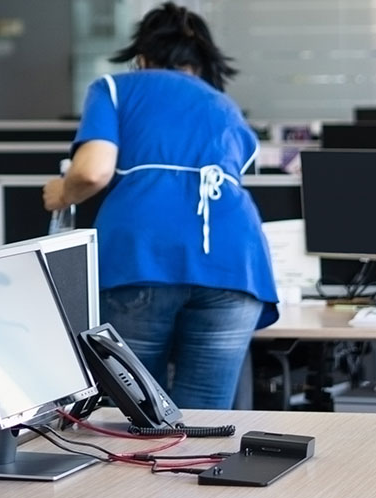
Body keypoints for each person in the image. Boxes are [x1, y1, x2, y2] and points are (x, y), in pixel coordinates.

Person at [41, 2, 278, 410]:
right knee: (205, 416)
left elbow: (93, 171)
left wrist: (62, 193)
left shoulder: (115, 88)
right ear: (202, 63)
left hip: (144, 255)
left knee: (136, 413)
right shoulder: (224, 106)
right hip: (235, 264)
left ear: (141, 56)